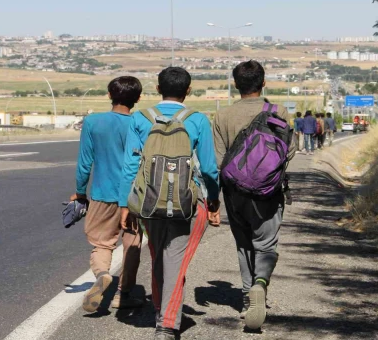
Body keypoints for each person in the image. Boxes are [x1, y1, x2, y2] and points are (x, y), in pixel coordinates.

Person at [118, 67, 221, 340]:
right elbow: (210, 168)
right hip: (186, 202)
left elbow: (130, 166)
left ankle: (161, 310)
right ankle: (166, 325)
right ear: (188, 90)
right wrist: (213, 200)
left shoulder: (140, 118)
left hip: (148, 202)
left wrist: (125, 205)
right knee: (175, 260)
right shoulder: (197, 119)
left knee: (158, 256)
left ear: (157, 88)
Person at [213, 60, 296, 330]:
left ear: (236, 84)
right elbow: (289, 152)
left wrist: (214, 198)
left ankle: (248, 297)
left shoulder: (222, 115)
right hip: (269, 192)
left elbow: (217, 161)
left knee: (244, 244)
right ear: (263, 83)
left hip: (234, 192)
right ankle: (261, 284)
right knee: (266, 243)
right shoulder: (278, 110)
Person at [72, 76, 145, 313]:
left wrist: (80, 192)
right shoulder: (141, 123)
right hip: (134, 197)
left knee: (102, 244)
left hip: (103, 194)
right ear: (138, 98)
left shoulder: (93, 122)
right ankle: (123, 294)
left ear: (109, 95)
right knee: (133, 244)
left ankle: (103, 274)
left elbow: (85, 163)